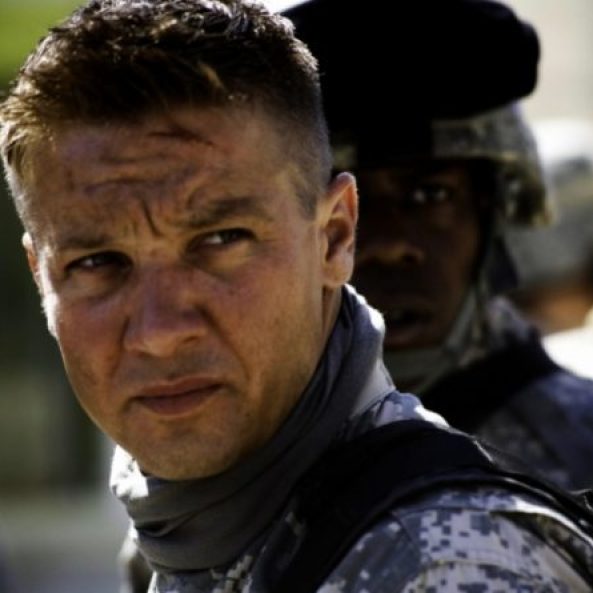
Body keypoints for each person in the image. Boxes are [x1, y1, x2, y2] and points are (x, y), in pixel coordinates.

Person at [2, 1, 593, 592]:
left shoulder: (441, 563)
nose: (159, 332)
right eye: (97, 262)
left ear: (333, 236)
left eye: (220, 239)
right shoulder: (193, 525)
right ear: (41, 277)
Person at [285, 0, 593, 491]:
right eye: (343, 208)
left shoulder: (579, 452)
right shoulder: (237, 461)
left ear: (490, 211)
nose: (388, 245)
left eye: (430, 195)